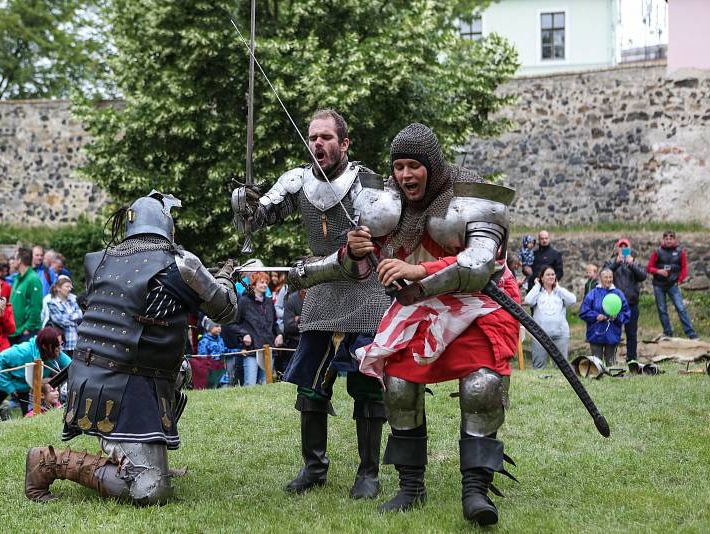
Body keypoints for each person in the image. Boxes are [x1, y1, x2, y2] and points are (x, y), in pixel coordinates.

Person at [345, 123, 519, 524]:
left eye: (414, 166)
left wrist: (417, 268)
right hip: (420, 306)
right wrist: (356, 251)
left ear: (432, 166)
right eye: (399, 167)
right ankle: (411, 487)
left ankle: (475, 491)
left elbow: (479, 265)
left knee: (481, 386)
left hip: (478, 304)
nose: (406, 175)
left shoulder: (472, 201)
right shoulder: (384, 205)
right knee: (400, 386)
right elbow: (357, 266)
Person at [24, 190, 238, 505]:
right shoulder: (182, 264)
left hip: (94, 375)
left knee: (179, 367)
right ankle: (47, 461)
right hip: (124, 384)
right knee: (151, 491)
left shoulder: (98, 260)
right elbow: (227, 311)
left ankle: (146, 457)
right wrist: (228, 280)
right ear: (167, 225)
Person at [231, 109, 392, 499]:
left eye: (325, 137)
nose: (317, 143)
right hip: (321, 292)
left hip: (366, 290)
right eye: (313, 137)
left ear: (344, 143)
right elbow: (262, 214)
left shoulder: (365, 184)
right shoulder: (297, 181)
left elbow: (385, 228)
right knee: (311, 386)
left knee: (367, 383)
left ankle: (368, 473)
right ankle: (314, 467)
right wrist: (246, 204)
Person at [0, 327, 71, 414]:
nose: (60, 348)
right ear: (45, 346)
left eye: (61, 344)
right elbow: (0, 360)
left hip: (25, 387)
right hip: (3, 379)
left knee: (28, 415)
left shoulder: (56, 353)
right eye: (57, 345)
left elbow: (72, 367)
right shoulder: (24, 351)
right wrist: (9, 386)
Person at [229, 272, 283, 385]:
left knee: (266, 384)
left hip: (268, 349)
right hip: (251, 350)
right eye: (261, 282)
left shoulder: (269, 302)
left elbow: (274, 324)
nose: (264, 285)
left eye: (266, 283)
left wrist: (279, 334)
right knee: (250, 384)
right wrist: (244, 334)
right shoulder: (244, 301)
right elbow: (232, 324)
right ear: (253, 285)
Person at [646, 231, 697, 339]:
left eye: (671, 238)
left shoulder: (680, 252)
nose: (669, 240)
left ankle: (691, 334)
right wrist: (658, 271)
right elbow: (649, 268)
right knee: (662, 310)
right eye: (666, 239)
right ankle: (668, 333)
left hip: (672, 285)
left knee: (681, 308)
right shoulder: (657, 251)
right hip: (658, 285)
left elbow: (684, 268)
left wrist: (680, 279)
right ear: (663, 240)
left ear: (674, 240)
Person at [603, 238, 647, 362]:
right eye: (620, 247)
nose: (623, 249)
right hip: (614, 305)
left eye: (625, 247)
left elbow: (643, 276)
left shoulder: (635, 262)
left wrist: (631, 264)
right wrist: (616, 263)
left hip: (631, 303)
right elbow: (604, 275)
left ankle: (631, 359)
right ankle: (610, 359)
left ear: (629, 248)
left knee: (631, 334)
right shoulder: (610, 262)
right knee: (612, 332)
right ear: (617, 249)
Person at [523, 266, 577, 369]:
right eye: (548, 274)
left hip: (560, 334)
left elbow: (573, 300)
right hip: (540, 335)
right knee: (538, 366)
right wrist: (537, 286)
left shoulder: (560, 292)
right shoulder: (537, 293)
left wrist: (558, 288)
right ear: (542, 278)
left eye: (553, 274)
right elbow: (528, 300)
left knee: (562, 367)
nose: (551, 276)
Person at [579, 268, 631, 367]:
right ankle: (596, 381)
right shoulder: (593, 293)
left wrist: (617, 317)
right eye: (605, 277)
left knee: (611, 363)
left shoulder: (618, 294)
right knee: (596, 363)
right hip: (596, 333)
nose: (608, 280)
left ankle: (612, 380)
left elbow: (626, 313)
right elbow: (584, 312)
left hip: (612, 333)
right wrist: (596, 316)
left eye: (610, 277)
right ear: (600, 278)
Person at [9, 247, 43, 344]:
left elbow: (36, 307)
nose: (12, 261)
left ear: (19, 260)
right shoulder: (17, 278)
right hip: (15, 332)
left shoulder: (33, 279)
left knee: (34, 359)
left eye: (14, 258)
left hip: (26, 334)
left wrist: (28, 329)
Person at [45, 276, 83, 355]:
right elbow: (61, 321)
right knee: (64, 366)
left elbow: (80, 315)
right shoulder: (52, 303)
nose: (69, 289)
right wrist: (74, 319)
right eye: (67, 286)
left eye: (70, 287)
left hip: (75, 343)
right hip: (62, 345)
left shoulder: (73, 300)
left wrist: (67, 316)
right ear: (58, 288)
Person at [196, 319, 229, 389]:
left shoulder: (220, 339)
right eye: (216, 326)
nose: (219, 328)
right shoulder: (204, 341)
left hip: (222, 370)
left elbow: (225, 350)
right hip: (211, 372)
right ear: (209, 327)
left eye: (220, 326)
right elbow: (202, 358)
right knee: (212, 390)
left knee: (225, 387)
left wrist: (238, 351)